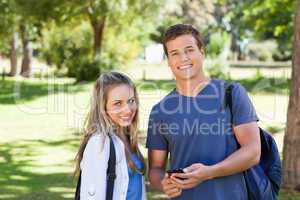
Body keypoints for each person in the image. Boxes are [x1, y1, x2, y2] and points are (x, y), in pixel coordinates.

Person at [146, 24, 261, 199]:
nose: (183, 58)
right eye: (174, 53)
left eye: (189, 50)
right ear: (168, 60)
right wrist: (163, 183)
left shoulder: (231, 93)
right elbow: (155, 169)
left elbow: (253, 152)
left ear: (202, 52)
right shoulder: (160, 111)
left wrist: (209, 172)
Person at [75, 72, 147, 200]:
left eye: (131, 101)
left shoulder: (127, 137)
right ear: (103, 107)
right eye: (118, 103)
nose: (128, 109)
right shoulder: (99, 143)